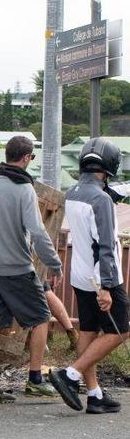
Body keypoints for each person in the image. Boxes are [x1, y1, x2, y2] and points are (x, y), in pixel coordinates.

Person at [0, 135, 61, 403]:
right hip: (17, 269)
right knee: (41, 318)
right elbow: (37, 231)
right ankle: (35, 379)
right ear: (25, 158)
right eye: (32, 157)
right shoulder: (24, 190)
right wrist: (54, 264)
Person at [50, 137, 130, 414]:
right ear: (109, 166)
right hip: (103, 278)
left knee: (88, 330)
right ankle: (70, 375)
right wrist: (107, 287)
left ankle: (94, 395)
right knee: (121, 329)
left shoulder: (72, 192)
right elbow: (106, 245)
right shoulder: (101, 199)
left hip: (80, 276)